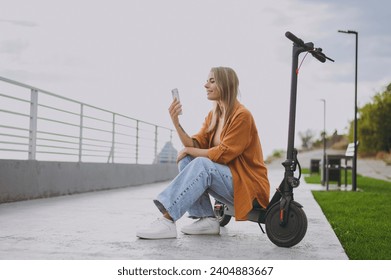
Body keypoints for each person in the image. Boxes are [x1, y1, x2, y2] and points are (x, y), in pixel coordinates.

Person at [136, 66, 270, 239]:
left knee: (200, 162)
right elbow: (194, 144)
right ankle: (206, 218)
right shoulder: (214, 115)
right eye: (207, 81)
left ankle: (168, 220)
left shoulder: (242, 116)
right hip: (230, 181)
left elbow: (223, 154)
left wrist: (189, 150)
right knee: (188, 159)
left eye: (212, 81)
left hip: (249, 186)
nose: (205, 85)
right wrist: (176, 122)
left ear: (226, 85)